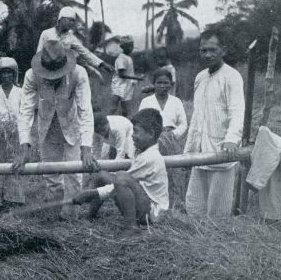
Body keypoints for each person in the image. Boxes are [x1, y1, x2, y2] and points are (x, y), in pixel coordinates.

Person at [13, 40, 98, 220]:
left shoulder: (79, 74)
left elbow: (85, 109)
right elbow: (25, 111)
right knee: (51, 174)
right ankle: (54, 216)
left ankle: (69, 217)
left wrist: (87, 146)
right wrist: (24, 145)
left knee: (74, 174)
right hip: (47, 126)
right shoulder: (31, 76)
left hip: (71, 125)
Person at [72, 108, 169, 237]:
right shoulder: (141, 152)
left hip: (151, 214)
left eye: (136, 131)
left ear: (151, 134)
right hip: (144, 201)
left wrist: (90, 194)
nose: (132, 135)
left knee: (122, 177)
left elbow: (120, 183)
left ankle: (131, 228)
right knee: (102, 176)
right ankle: (90, 215)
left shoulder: (150, 158)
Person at [184, 29, 245, 218]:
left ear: (223, 50)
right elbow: (196, 117)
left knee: (218, 210)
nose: (207, 55)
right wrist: (189, 150)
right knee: (195, 207)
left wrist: (231, 139)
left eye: (212, 49)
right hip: (200, 152)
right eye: (203, 50)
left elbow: (237, 110)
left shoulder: (232, 76)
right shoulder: (200, 77)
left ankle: (216, 241)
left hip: (222, 152)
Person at [0, 57, 26, 212]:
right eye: (3, 73)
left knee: (15, 164)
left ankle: (15, 199)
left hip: (16, 135)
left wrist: (18, 126)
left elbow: (26, 114)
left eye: (10, 73)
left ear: (14, 75)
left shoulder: (21, 93)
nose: (6, 76)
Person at [37, 7, 114, 75]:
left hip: (63, 72)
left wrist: (103, 64)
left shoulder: (71, 38)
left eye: (73, 21)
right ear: (61, 18)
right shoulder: (46, 33)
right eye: (70, 20)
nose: (72, 23)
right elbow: (39, 53)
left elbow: (86, 53)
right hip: (46, 70)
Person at [139, 69, 187, 155]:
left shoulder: (176, 101)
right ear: (154, 84)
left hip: (172, 142)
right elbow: (140, 124)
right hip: (151, 142)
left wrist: (172, 134)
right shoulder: (146, 101)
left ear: (171, 85)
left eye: (165, 83)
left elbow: (183, 124)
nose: (162, 86)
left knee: (172, 166)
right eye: (159, 82)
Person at [110, 35, 144, 118]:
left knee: (125, 107)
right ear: (122, 47)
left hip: (127, 85)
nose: (131, 48)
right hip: (119, 85)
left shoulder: (128, 57)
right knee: (114, 107)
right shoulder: (121, 58)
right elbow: (121, 75)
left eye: (132, 46)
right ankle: (105, 121)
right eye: (128, 46)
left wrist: (135, 77)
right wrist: (137, 78)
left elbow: (128, 73)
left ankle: (124, 123)